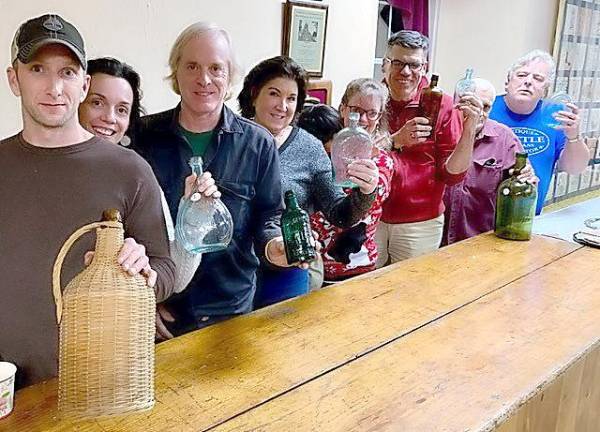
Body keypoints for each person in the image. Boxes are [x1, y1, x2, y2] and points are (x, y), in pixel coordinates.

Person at [0, 14, 175, 388]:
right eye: (37, 69)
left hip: (103, 383)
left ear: (84, 83)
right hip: (8, 388)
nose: (54, 87)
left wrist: (142, 272)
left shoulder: (131, 170)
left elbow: (165, 269)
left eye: (66, 72)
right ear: (14, 79)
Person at [133, 22, 287, 335]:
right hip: (164, 311)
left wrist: (278, 247)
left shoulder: (258, 144)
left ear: (230, 76)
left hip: (232, 311)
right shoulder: (143, 137)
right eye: (192, 66)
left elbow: (269, 217)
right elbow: (128, 227)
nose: (204, 79)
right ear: (176, 72)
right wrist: (143, 300)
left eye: (216, 68)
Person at [78, 58, 221, 338]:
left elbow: (174, 276)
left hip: (110, 341)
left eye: (122, 110)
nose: (109, 117)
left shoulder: (136, 174)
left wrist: (192, 212)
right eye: (97, 102)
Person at [238, 56, 379, 306]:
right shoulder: (231, 139)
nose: (283, 105)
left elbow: (340, 214)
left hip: (287, 268)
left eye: (291, 98)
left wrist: (365, 191)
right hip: (231, 272)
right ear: (254, 93)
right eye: (274, 93)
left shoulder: (309, 147)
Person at [376, 30, 481, 266]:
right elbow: (353, 155)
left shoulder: (441, 104)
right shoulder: (371, 98)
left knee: (410, 294)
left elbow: (452, 175)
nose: (405, 72)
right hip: (371, 215)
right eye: (398, 63)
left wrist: (470, 128)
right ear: (385, 64)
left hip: (420, 222)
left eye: (413, 65)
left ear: (424, 67)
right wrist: (395, 141)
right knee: (362, 290)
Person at [299, 79, 394, 282]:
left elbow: (359, 211)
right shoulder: (320, 151)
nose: (362, 119)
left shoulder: (382, 163)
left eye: (372, 113)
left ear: (379, 117)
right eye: (355, 110)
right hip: (312, 264)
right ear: (342, 109)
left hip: (357, 266)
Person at [489, 49, 590, 214]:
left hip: (527, 218)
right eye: (521, 75)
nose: (528, 82)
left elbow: (574, 169)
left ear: (546, 90)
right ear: (507, 81)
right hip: (480, 218)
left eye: (538, 78)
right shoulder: (487, 109)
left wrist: (573, 136)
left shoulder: (556, 115)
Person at [442, 78, 538, 245]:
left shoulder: (504, 139)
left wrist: (527, 177)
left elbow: (526, 182)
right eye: (472, 104)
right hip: (433, 242)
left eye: (485, 107)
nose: (477, 112)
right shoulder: (440, 132)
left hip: (482, 242)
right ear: (456, 101)